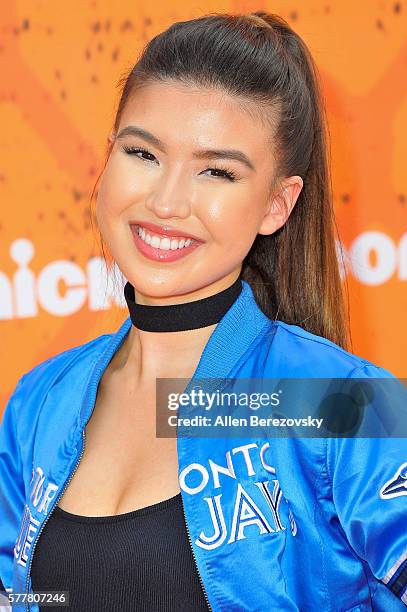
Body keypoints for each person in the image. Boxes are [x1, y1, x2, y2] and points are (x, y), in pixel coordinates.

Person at [0, 10, 406, 612]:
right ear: (108, 157)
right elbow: (30, 598)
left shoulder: (338, 399)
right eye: (143, 154)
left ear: (276, 203)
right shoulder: (39, 402)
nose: (166, 201)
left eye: (217, 171)